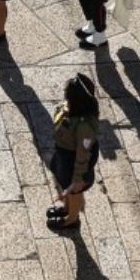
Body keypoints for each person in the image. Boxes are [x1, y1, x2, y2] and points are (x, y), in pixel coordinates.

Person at [47, 73, 99, 232]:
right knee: (66, 185)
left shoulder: (84, 126)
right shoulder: (70, 108)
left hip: (73, 160)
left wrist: (78, 178)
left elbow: (83, 153)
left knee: (75, 191)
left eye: (67, 93)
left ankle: (72, 219)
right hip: (64, 155)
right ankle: (66, 209)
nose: (64, 93)